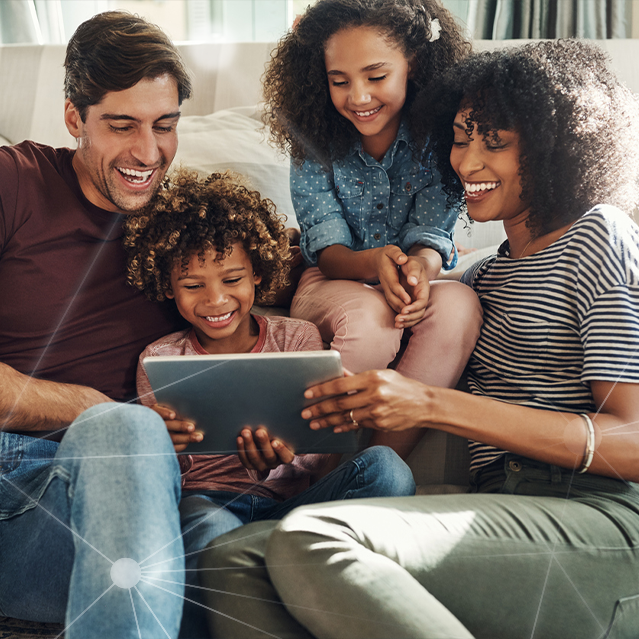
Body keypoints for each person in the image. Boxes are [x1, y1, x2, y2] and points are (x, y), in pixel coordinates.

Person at [199, 40, 639, 639]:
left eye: (496, 142)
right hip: (502, 506)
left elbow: (635, 440)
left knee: (314, 536)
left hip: (601, 520)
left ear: (557, 147)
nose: (467, 163)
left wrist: (431, 403)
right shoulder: (481, 278)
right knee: (229, 563)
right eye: (460, 139)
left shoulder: (600, 237)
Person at [124, 169, 415, 630]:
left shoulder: (297, 336)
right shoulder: (159, 358)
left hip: (297, 505)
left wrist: (284, 459)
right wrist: (162, 445)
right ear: (167, 286)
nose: (215, 300)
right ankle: (245, 582)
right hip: (212, 503)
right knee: (205, 530)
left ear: (257, 273)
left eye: (232, 278)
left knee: (387, 468)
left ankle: (277, 560)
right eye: (193, 285)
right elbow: (160, 476)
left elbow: (321, 443)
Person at [0, 11, 204, 639]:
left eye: (164, 126)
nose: (148, 153)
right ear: (73, 119)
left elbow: (285, 281)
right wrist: (92, 409)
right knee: (125, 427)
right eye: (123, 126)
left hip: (139, 495)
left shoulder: (186, 219)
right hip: (16, 491)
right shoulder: (16, 181)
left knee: (239, 534)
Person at [263, 0, 483, 457]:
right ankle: (316, 465)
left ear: (414, 64)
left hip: (406, 276)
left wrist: (420, 268)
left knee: (459, 303)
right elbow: (327, 248)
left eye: (376, 77)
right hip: (333, 278)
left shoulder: (439, 140)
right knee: (369, 319)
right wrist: (376, 263)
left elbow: (431, 233)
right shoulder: (314, 141)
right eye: (339, 81)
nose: (358, 97)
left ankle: (379, 464)